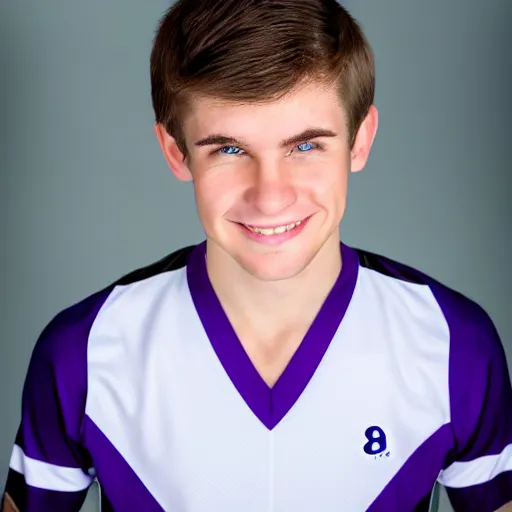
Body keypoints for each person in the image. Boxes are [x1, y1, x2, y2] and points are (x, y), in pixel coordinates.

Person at [2, 0, 512, 510]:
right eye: (228, 149)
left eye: (306, 147)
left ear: (360, 141)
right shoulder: (84, 352)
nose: (270, 195)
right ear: (176, 151)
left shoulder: (452, 345)